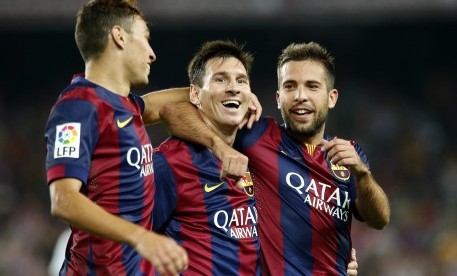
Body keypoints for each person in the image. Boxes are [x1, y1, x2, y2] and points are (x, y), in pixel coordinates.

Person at [160, 41, 390, 275]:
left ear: (331, 97)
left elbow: (379, 219)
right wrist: (220, 141)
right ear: (278, 98)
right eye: (290, 86)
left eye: (312, 86)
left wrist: (363, 174)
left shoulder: (348, 155)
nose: (300, 96)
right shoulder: (255, 135)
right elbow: (172, 110)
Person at [44, 1, 189, 275]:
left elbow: (160, 105)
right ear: (119, 36)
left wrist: (223, 91)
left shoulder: (125, 106)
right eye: (145, 39)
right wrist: (141, 237)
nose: (152, 54)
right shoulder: (76, 107)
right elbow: (63, 199)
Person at [152, 40, 260, 275]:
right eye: (220, 79)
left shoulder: (258, 154)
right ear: (195, 94)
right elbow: (124, 242)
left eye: (241, 81)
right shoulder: (169, 163)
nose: (233, 87)